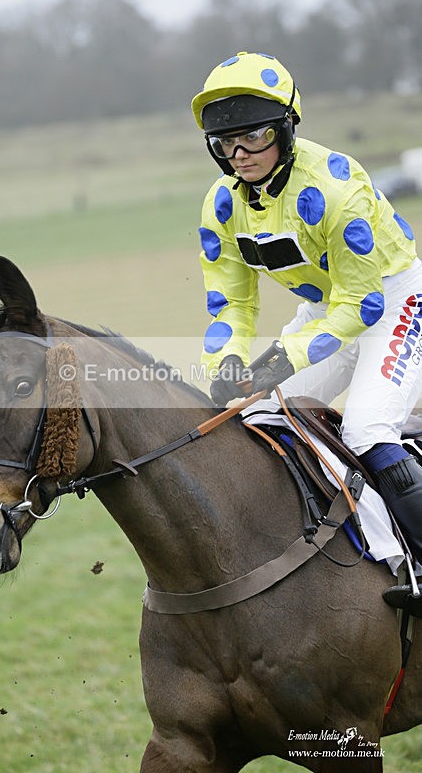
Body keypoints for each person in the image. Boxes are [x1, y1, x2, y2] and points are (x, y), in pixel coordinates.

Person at [191, 51, 422, 615]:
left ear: (288, 128)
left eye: (253, 138)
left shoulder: (338, 190)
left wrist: (282, 359)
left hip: (394, 298)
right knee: (260, 420)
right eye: (225, 144)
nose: (239, 155)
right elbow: (231, 302)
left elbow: (364, 303)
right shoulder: (222, 206)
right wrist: (225, 363)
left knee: (368, 427)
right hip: (328, 307)